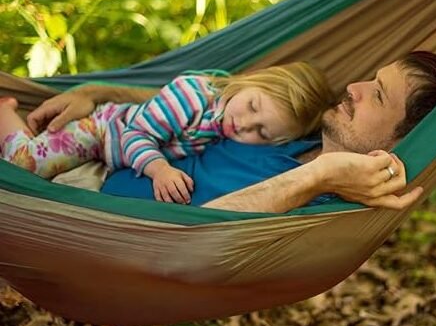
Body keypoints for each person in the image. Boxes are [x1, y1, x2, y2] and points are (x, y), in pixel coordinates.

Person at [9, 51, 436, 212]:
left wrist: (319, 174)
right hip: (91, 169)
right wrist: (102, 92)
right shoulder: (298, 129)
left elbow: (201, 242)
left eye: (377, 95)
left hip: (89, 223)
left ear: (405, 138)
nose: (353, 88)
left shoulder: (330, 204)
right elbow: (206, 103)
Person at [0, 62, 334, 204]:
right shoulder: (191, 95)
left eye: (261, 132)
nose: (244, 124)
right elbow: (134, 135)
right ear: (251, 81)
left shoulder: (225, 125)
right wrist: (159, 169)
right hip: (101, 130)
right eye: (252, 106)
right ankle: (5, 112)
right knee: (27, 166)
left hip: (111, 155)